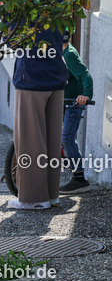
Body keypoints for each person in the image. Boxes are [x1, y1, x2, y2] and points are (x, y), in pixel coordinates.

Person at [8, 0, 69, 210]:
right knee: (53, 139)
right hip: (56, 76)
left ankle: (33, 199)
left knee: (31, 141)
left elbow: (12, 39)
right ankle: (52, 194)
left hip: (31, 77)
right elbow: (65, 39)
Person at [60, 37, 92, 194]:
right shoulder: (59, 52)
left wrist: (86, 95)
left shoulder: (69, 54)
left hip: (74, 102)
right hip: (62, 100)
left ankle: (79, 179)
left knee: (67, 138)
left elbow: (85, 75)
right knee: (60, 137)